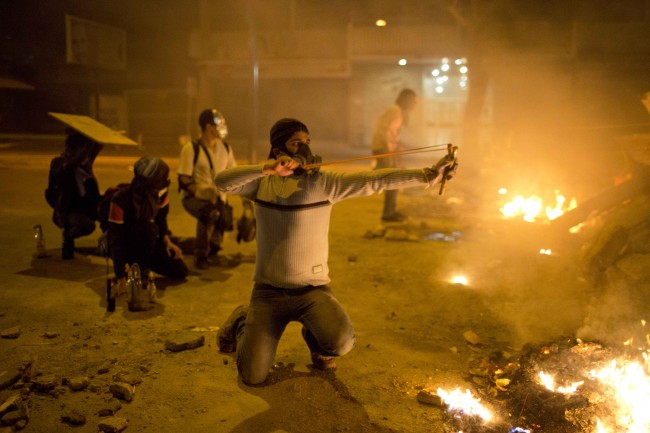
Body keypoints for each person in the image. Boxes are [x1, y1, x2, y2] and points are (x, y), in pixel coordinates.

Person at [214, 118, 457, 386]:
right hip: (267, 293)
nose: (304, 149)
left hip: (312, 291)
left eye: (307, 142)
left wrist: (426, 175)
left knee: (340, 342)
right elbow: (222, 181)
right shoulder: (260, 185)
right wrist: (267, 169)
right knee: (252, 375)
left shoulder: (324, 183)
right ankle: (242, 322)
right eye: (296, 143)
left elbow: (374, 180)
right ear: (277, 149)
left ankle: (317, 343)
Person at [107, 156, 188, 291]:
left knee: (180, 270)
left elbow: (161, 219)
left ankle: (141, 264)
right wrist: (120, 275)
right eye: (163, 178)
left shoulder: (160, 194)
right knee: (149, 229)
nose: (166, 181)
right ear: (153, 181)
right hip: (124, 244)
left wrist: (166, 240)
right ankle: (141, 270)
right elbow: (115, 239)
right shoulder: (120, 199)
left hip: (145, 243)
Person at [177, 108, 237, 269]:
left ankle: (184, 244)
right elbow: (183, 178)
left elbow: (233, 173)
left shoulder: (226, 148)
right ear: (209, 127)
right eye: (219, 124)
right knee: (209, 214)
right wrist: (199, 191)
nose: (223, 127)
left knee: (215, 244)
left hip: (219, 200)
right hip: (194, 198)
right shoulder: (191, 148)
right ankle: (200, 256)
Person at [45, 130, 102, 259]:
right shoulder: (59, 162)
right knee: (88, 226)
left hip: (85, 206)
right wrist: (85, 147)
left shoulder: (84, 164)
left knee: (110, 212)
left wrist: (98, 135)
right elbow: (69, 167)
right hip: (67, 210)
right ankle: (68, 237)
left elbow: (96, 148)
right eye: (82, 149)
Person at [371, 88, 418, 222]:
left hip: (385, 149)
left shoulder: (396, 111)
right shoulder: (395, 110)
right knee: (393, 179)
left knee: (395, 178)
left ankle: (390, 210)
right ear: (407, 100)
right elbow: (386, 132)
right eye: (413, 101)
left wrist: (398, 145)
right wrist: (390, 152)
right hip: (384, 149)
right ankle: (388, 213)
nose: (415, 104)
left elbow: (390, 133)